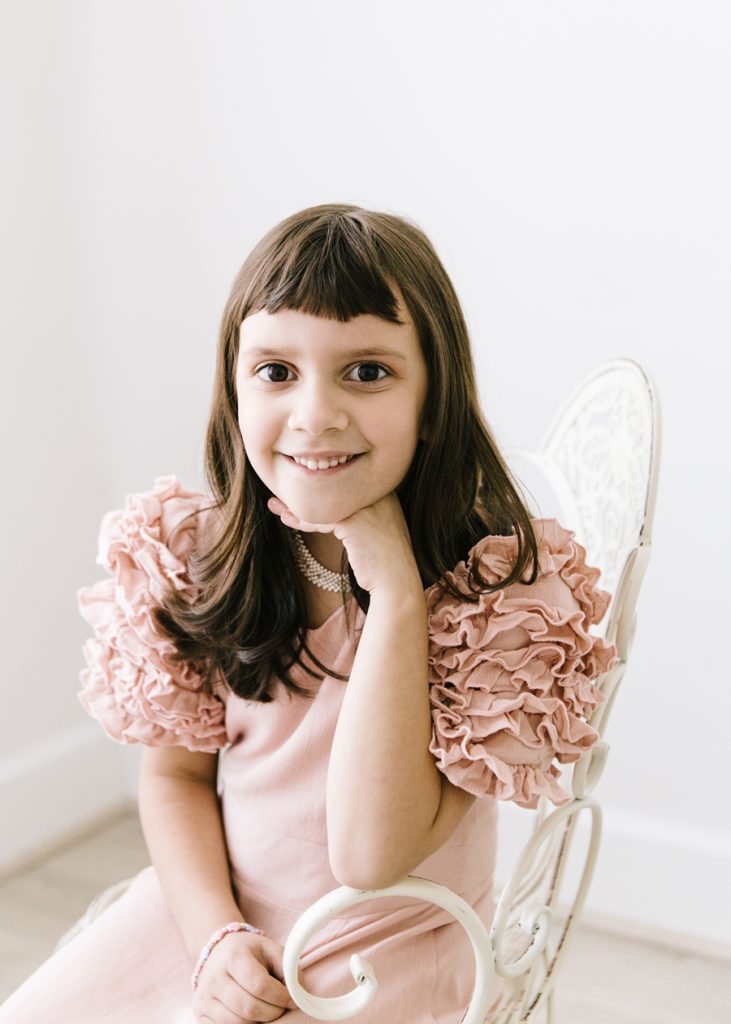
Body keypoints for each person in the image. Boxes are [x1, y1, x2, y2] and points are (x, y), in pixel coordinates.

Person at [0, 203, 619, 1024]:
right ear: (234, 386)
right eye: (276, 371)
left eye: (366, 371)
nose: (315, 414)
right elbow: (176, 776)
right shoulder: (196, 555)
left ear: (435, 395)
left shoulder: (492, 602)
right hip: (217, 916)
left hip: (384, 950)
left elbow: (370, 857)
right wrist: (213, 935)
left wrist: (395, 593)